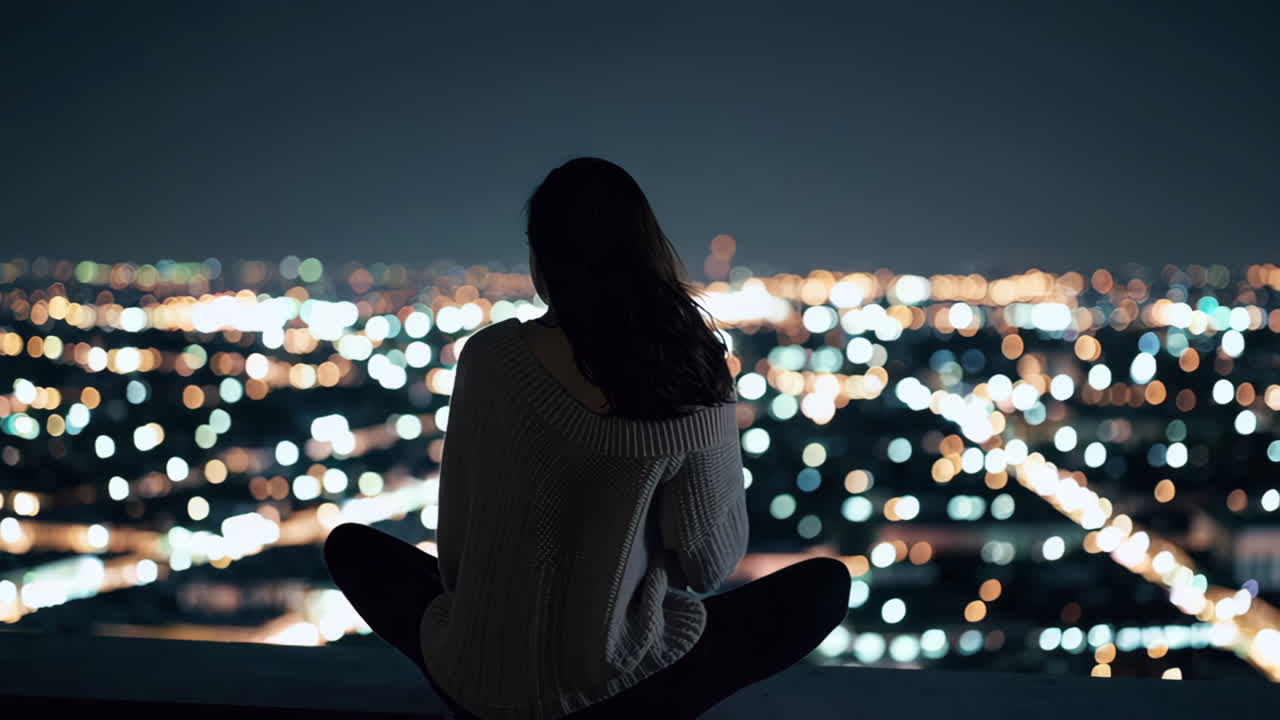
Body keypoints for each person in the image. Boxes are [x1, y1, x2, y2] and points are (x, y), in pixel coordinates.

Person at [323, 157, 852, 719]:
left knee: (353, 548)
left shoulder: (489, 357)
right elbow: (709, 567)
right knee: (822, 587)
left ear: (541, 254)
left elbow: (457, 552)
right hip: (618, 695)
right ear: (645, 248)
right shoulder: (688, 371)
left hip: (474, 685)